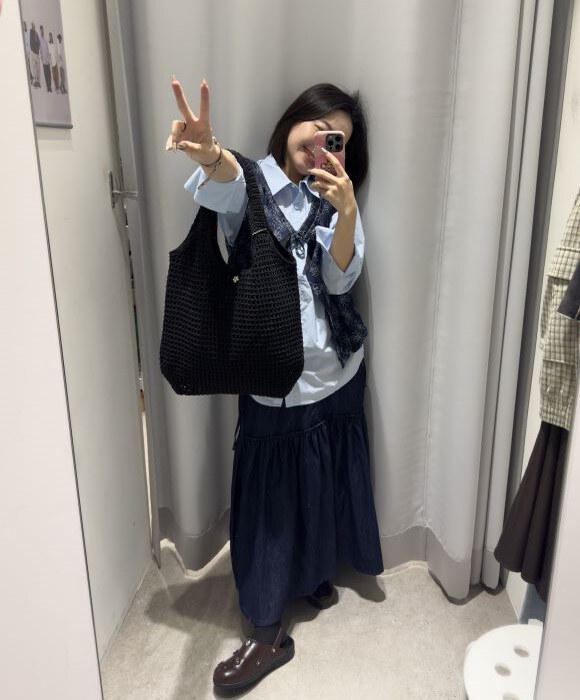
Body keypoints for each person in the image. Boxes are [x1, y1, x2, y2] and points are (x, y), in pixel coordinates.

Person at [166, 78, 384, 691]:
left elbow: (339, 284)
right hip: (274, 377)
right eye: (317, 124)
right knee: (269, 499)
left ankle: (314, 576)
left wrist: (347, 212)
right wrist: (210, 153)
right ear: (292, 121)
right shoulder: (254, 183)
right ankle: (265, 632)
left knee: (319, 478)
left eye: (338, 137)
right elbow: (228, 182)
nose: (323, 141)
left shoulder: (338, 197)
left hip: (337, 370)